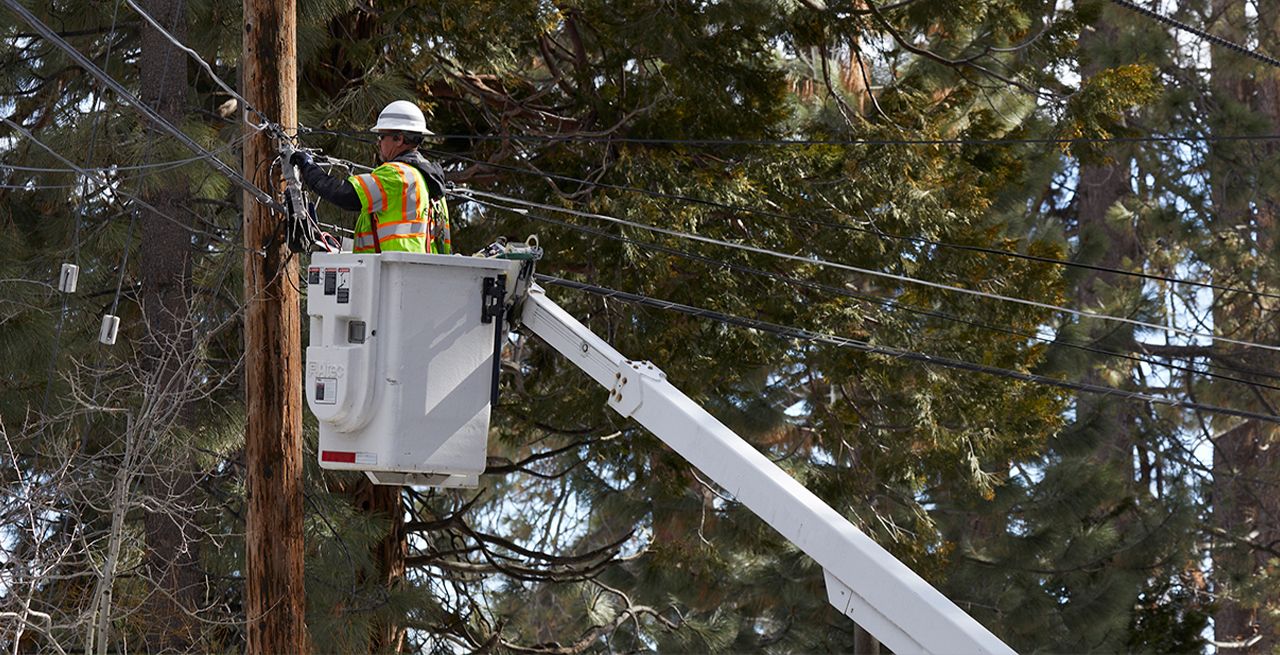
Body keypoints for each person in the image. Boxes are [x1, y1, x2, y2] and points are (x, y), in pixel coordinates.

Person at [287, 100, 451, 254]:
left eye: (381, 137)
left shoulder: (398, 174)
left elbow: (344, 194)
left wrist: (308, 167)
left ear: (399, 139)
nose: (378, 143)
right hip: (416, 276)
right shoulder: (432, 187)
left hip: (391, 274)